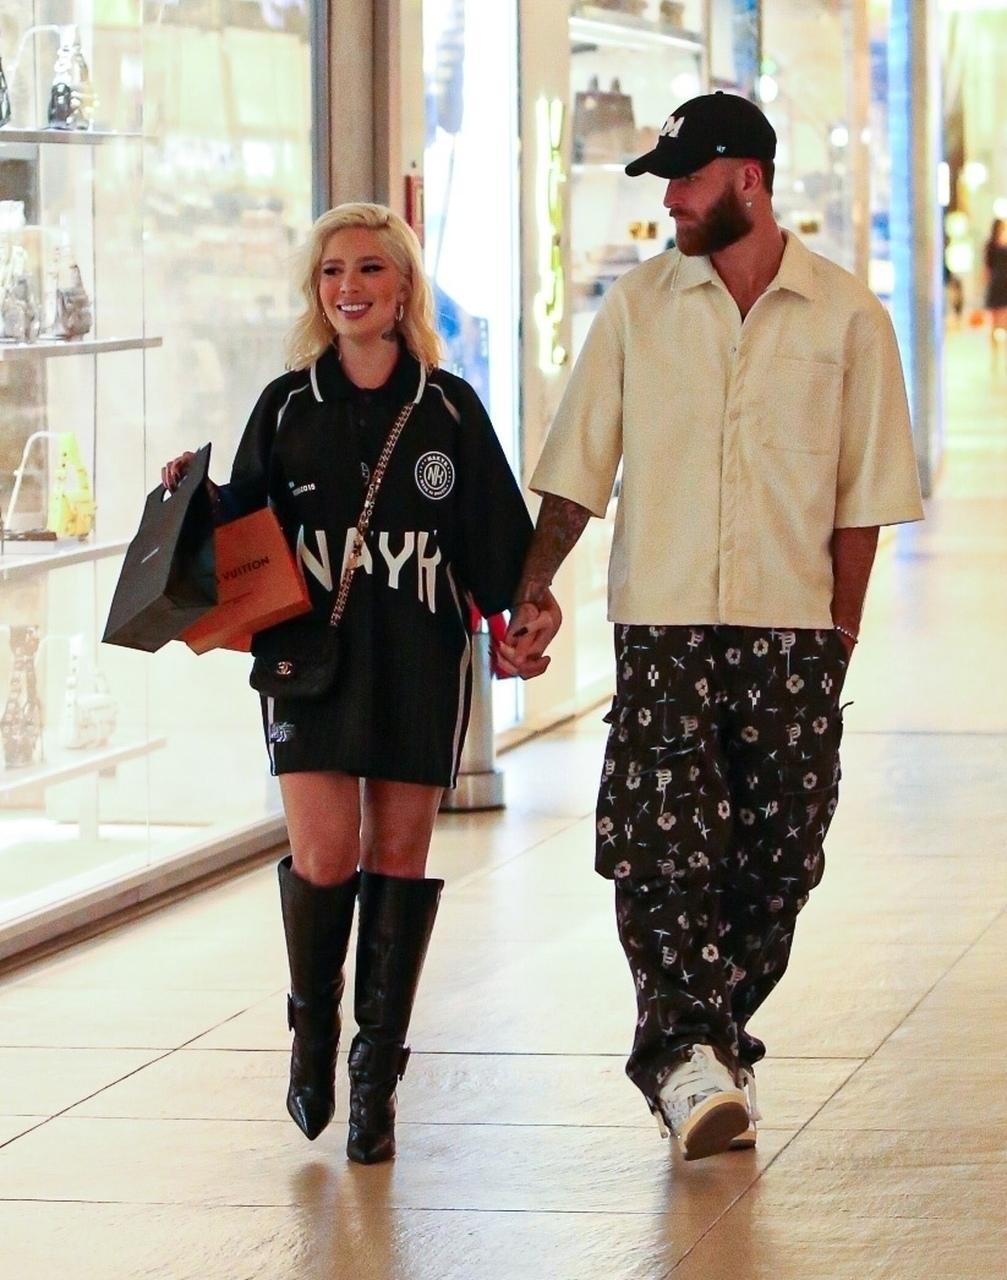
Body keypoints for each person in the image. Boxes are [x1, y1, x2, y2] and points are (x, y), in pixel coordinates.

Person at [501, 92, 924, 1161]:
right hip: (664, 623)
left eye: (685, 180)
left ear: (746, 178)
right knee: (661, 852)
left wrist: (837, 638)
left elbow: (860, 497)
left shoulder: (846, 319)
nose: (671, 202)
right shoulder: (639, 309)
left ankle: (711, 1033)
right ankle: (684, 1053)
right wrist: (534, 587)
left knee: (780, 854)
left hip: (790, 632)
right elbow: (575, 469)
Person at [162, 203, 558, 1163]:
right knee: (326, 853)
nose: (350, 288)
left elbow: (497, 554)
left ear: (404, 288)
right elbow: (240, 523)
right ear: (316, 290)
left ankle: (377, 1077)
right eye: (333, 271)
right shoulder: (286, 405)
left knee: (399, 855)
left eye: (370, 270)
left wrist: (523, 624)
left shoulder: (450, 409)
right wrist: (193, 495)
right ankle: (313, 1039)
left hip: (419, 662)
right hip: (309, 664)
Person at [983, 218, 1007, 368]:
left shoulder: (992, 246)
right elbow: (986, 268)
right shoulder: (994, 246)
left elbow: (986, 268)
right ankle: (996, 355)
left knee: (998, 321)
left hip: (1000, 284)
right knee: (997, 321)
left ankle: (997, 355)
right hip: (1000, 284)